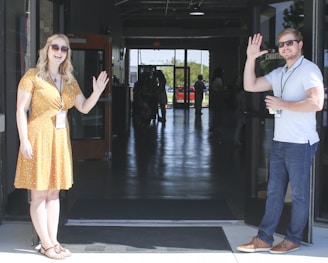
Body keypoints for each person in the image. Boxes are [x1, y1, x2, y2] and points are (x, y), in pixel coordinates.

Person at [14, 34, 109, 259]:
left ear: (67, 53)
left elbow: (84, 107)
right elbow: (20, 110)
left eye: (64, 48)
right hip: (38, 137)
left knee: (54, 193)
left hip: (59, 140)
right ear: (47, 49)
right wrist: (24, 140)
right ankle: (46, 244)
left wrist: (96, 92)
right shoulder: (33, 76)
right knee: (38, 194)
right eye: (55, 47)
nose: (59, 51)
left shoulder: (68, 81)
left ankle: (54, 241)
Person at [237, 28, 324, 254]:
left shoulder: (309, 70)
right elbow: (250, 85)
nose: (285, 47)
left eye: (290, 43)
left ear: (300, 44)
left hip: (301, 143)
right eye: (281, 45)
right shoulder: (281, 73)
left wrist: (282, 104)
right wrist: (251, 58)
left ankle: (293, 238)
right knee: (275, 191)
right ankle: (264, 238)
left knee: (298, 194)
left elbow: (316, 103)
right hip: (280, 142)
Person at [209, 67, 225, 140]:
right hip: (219, 99)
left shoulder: (214, 80)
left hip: (215, 99)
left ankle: (214, 127)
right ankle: (217, 128)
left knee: (215, 114)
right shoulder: (219, 80)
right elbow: (220, 88)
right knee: (218, 114)